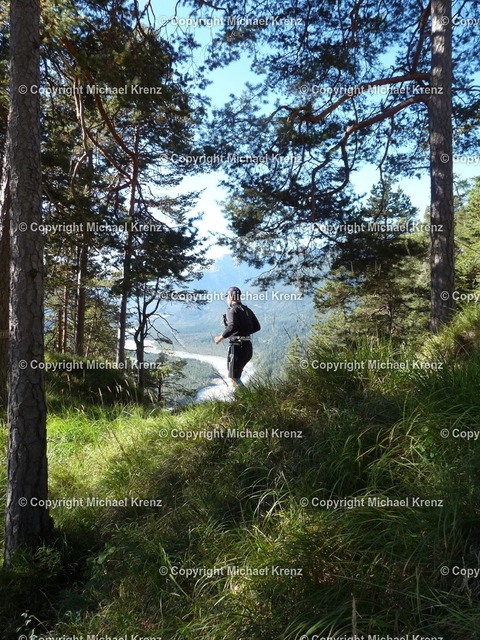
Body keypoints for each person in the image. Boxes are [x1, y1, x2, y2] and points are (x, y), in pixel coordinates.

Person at [214, 286, 261, 387]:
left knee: (234, 378)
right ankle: (242, 395)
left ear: (231, 296)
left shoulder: (232, 310)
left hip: (237, 348)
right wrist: (244, 332)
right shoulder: (247, 310)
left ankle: (246, 396)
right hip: (248, 347)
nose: (227, 299)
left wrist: (219, 338)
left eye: (227, 297)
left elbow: (231, 327)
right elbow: (257, 327)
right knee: (236, 376)